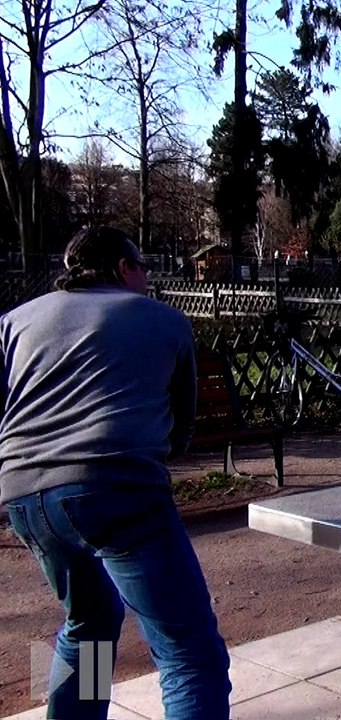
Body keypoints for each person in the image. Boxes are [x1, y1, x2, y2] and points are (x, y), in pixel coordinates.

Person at [1, 227, 231, 718]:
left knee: (89, 623)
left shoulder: (16, 320)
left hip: (23, 495)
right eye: (143, 267)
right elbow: (181, 425)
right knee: (189, 652)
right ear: (124, 268)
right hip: (116, 490)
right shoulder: (162, 320)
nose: (148, 278)